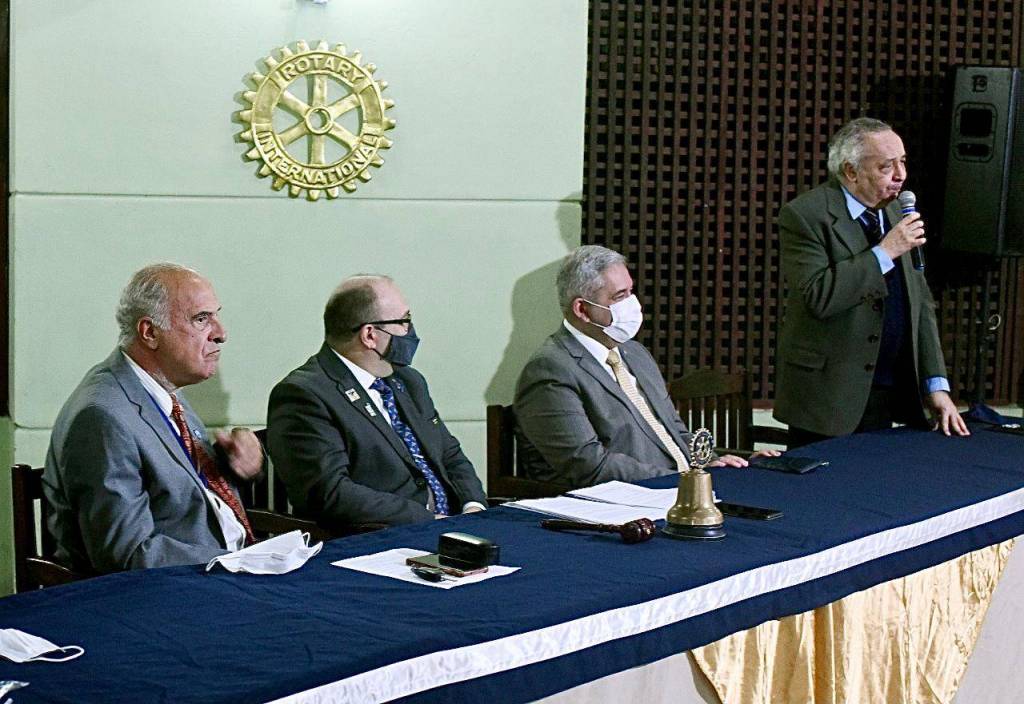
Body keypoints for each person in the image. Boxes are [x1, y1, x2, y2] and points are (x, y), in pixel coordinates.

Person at [44, 263, 264, 574]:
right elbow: (128, 554)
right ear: (150, 333)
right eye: (202, 319)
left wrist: (237, 465)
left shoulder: (160, 388)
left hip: (224, 569)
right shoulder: (102, 416)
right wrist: (234, 562)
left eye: (216, 316)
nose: (221, 333)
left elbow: (183, 488)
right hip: (179, 585)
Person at [773, 117, 970, 446]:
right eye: (886, 166)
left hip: (888, 391)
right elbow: (819, 296)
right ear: (851, 171)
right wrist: (885, 251)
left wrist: (936, 384)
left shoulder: (896, 212)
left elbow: (920, 304)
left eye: (903, 162)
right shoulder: (805, 215)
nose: (900, 175)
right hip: (828, 398)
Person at [514, 245, 778, 489]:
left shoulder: (635, 353)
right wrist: (683, 480)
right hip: (626, 502)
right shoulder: (550, 369)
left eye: (630, 291)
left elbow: (673, 430)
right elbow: (589, 464)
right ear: (582, 309)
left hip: (680, 488)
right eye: (620, 296)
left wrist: (713, 463)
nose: (633, 304)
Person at [266, 275, 487, 530]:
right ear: (370, 335)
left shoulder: (409, 381)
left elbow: (448, 454)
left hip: (453, 528)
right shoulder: (304, 394)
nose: (410, 331)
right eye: (404, 321)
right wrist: (428, 521)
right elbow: (331, 492)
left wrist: (473, 506)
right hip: (386, 537)